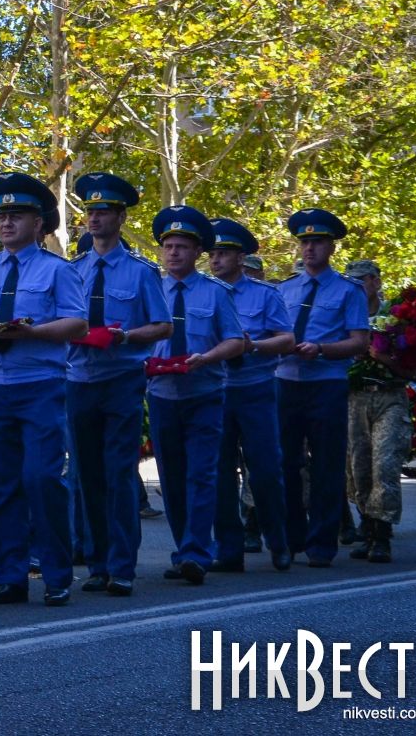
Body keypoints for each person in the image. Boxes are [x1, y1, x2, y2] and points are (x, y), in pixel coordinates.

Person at [0, 173, 87, 607]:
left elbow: (77, 323)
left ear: (39, 223)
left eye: (17, 215)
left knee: (42, 478)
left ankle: (56, 574)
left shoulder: (58, 270)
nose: (6, 223)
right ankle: (9, 576)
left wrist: (31, 333)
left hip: (40, 385)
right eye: (2, 216)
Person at [66, 174, 170, 597]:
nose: (94, 218)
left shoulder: (142, 271)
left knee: (119, 472)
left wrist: (127, 337)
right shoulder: (73, 270)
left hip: (122, 379)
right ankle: (97, 563)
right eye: (90, 211)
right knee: (87, 473)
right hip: (79, 379)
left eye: (103, 211)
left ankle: (122, 565)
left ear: (121, 218)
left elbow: (162, 326)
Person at [145, 207, 245, 585]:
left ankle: (195, 553)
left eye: (182, 247)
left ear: (197, 252)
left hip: (204, 393)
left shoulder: (216, 292)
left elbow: (236, 341)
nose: (173, 253)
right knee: (171, 478)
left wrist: (208, 358)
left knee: (202, 475)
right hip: (161, 394)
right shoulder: (151, 288)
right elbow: (137, 337)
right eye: (168, 246)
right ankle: (182, 548)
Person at [274, 209, 370, 567]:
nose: (309, 248)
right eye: (304, 242)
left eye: (317, 242)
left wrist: (322, 349)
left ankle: (322, 544)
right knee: (285, 463)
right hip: (285, 382)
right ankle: (291, 537)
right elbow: (272, 332)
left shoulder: (349, 290)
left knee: (327, 465)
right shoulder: (284, 289)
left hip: (326, 384)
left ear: (331, 247)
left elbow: (360, 341)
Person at [206, 218, 294, 572]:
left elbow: (286, 339)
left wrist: (253, 345)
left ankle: (278, 542)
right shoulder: (203, 292)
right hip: (216, 390)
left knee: (266, 470)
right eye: (212, 254)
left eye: (223, 253)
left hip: (256, 389)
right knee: (220, 473)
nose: (216, 260)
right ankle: (229, 549)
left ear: (241, 258)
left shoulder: (265, 294)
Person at [343, 259, 409, 563]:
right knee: (358, 468)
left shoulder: (395, 318)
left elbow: (411, 367)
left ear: (376, 282)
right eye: (352, 282)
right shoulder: (343, 316)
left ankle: (382, 535)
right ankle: (367, 527)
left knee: (385, 464)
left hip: (389, 395)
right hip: (355, 398)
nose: (357, 287)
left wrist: (383, 357)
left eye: (363, 280)